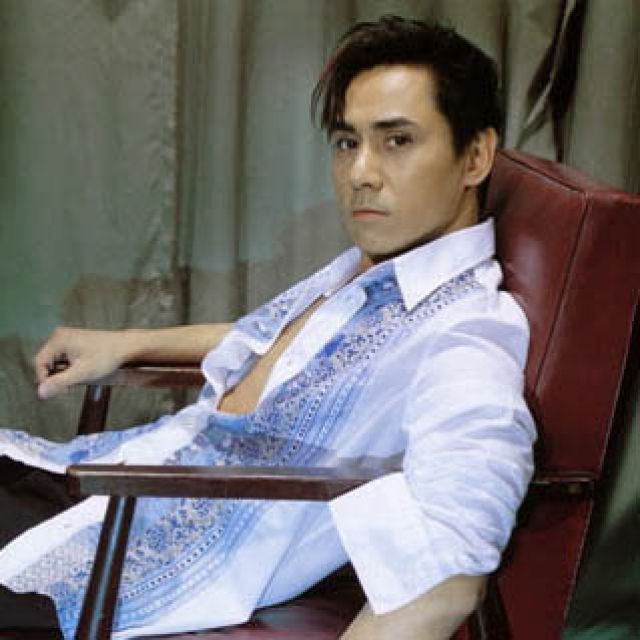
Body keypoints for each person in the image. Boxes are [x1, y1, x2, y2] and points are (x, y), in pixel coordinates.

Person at [0, 15, 535, 640]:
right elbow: (287, 344)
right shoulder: (377, 268)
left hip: (118, 561)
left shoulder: (467, 337)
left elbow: (452, 565)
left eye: (397, 141)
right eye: (347, 142)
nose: (360, 173)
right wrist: (129, 343)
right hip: (101, 478)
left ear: (475, 156)